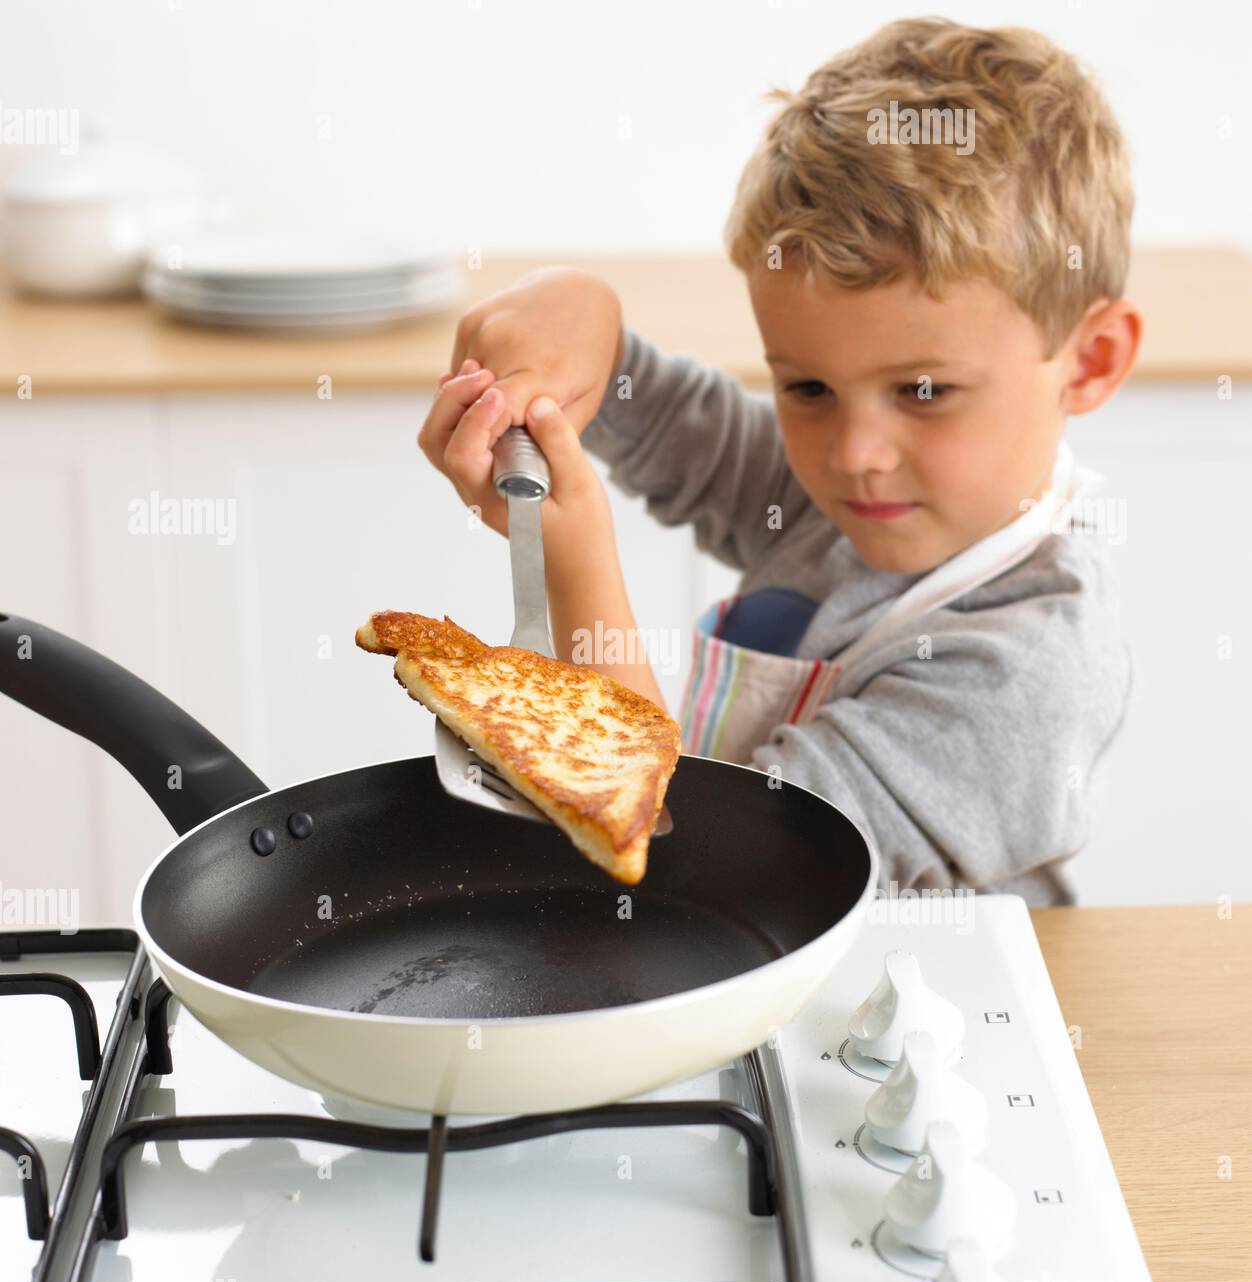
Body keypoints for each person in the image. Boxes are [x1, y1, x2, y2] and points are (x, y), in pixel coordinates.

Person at [417, 17, 1141, 908]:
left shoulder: (1025, 672)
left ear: (1093, 359)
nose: (853, 455)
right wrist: (579, 317)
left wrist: (572, 558)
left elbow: (704, 878)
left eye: (922, 392)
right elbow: (668, 419)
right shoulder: (864, 506)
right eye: (806, 389)